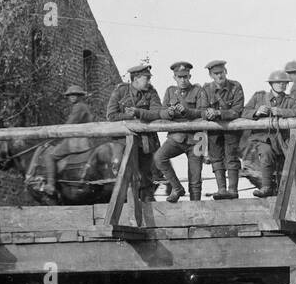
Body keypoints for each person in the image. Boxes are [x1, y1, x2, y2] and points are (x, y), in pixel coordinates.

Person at [243, 70, 296, 197]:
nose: (282, 85)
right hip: (262, 139)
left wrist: (281, 111)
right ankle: (266, 186)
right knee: (266, 152)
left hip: (282, 140)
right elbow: (244, 112)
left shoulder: (290, 100)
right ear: (271, 84)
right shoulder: (259, 97)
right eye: (278, 82)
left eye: (285, 83)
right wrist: (256, 112)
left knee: (289, 162)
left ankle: (286, 192)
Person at [105, 60, 162, 201]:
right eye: (146, 78)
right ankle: (124, 199)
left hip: (145, 140)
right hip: (123, 139)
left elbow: (157, 112)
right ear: (136, 79)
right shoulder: (120, 91)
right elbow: (111, 115)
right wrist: (128, 116)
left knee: (147, 173)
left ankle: (148, 201)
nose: (149, 81)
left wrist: (138, 112)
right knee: (119, 168)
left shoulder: (151, 92)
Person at [154, 61, 209, 202]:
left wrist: (187, 111)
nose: (183, 80)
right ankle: (177, 188)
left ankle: (195, 207)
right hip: (176, 137)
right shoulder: (170, 91)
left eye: (185, 76)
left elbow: (203, 112)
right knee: (159, 158)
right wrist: (169, 113)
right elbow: (162, 112)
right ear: (174, 78)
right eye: (180, 77)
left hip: (198, 139)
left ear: (190, 76)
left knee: (195, 177)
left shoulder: (199, 91)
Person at [37, 85, 94, 200]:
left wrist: (56, 134)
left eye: (75, 95)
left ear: (80, 96)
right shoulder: (82, 107)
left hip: (77, 141)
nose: (72, 97)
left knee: (50, 156)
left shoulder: (79, 107)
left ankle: (51, 185)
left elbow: (70, 124)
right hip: (81, 139)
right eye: (70, 95)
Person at [200, 59, 245, 199]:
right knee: (216, 158)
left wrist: (219, 113)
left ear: (226, 72)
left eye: (222, 72)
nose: (220, 76)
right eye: (216, 73)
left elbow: (237, 110)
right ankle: (222, 190)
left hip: (231, 129)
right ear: (211, 75)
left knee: (231, 157)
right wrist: (208, 113)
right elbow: (201, 109)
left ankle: (233, 190)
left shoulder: (235, 86)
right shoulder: (206, 89)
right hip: (214, 130)